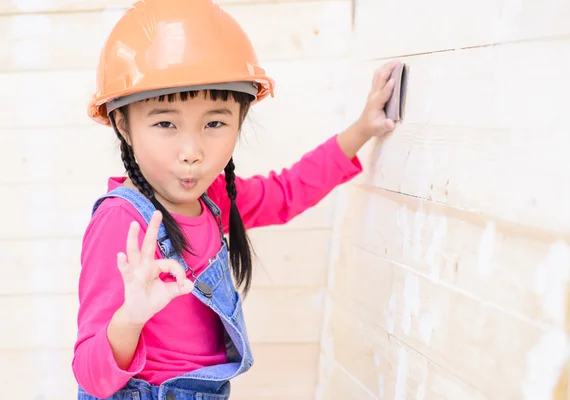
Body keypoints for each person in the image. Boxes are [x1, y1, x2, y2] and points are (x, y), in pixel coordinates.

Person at [71, 0, 398, 399]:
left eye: (214, 122)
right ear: (123, 123)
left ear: (240, 120)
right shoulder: (123, 223)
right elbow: (90, 376)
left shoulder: (212, 201)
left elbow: (286, 192)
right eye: (165, 123)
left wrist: (363, 129)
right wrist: (130, 319)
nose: (192, 150)